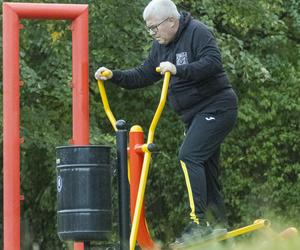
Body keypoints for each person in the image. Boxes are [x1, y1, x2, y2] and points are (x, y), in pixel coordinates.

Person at [95, 0, 238, 245]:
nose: (152, 33)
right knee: (205, 166)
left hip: (217, 106)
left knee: (189, 156)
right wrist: (114, 75)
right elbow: (143, 74)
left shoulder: (197, 32)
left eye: (154, 28)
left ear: (171, 21)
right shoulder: (160, 46)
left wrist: (179, 69)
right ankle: (218, 224)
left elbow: (213, 62)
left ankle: (198, 223)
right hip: (193, 116)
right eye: (149, 29)